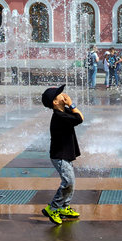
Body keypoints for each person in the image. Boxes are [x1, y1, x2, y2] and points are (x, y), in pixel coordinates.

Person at [41, 85, 84, 226]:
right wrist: (72, 104)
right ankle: (53, 208)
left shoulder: (63, 112)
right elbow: (80, 118)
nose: (63, 94)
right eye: (59, 94)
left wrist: (69, 106)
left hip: (64, 154)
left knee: (71, 182)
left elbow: (76, 116)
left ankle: (64, 207)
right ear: (55, 102)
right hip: (59, 156)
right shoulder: (60, 116)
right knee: (68, 182)